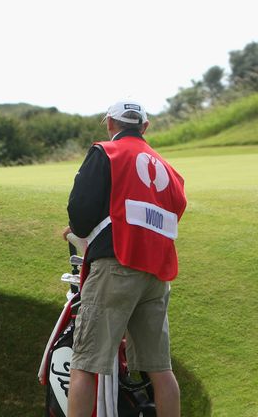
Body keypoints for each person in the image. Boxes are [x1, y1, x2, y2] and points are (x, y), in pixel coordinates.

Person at [63, 100, 187, 417]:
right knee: (160, 368)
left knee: (85, 365)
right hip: (157, 272)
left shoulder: (106, 151)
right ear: (144, 127)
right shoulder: (170, 170)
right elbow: (174, 211)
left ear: (110, 124)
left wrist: (79, 230)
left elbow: (80, 210)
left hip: (116, 264)